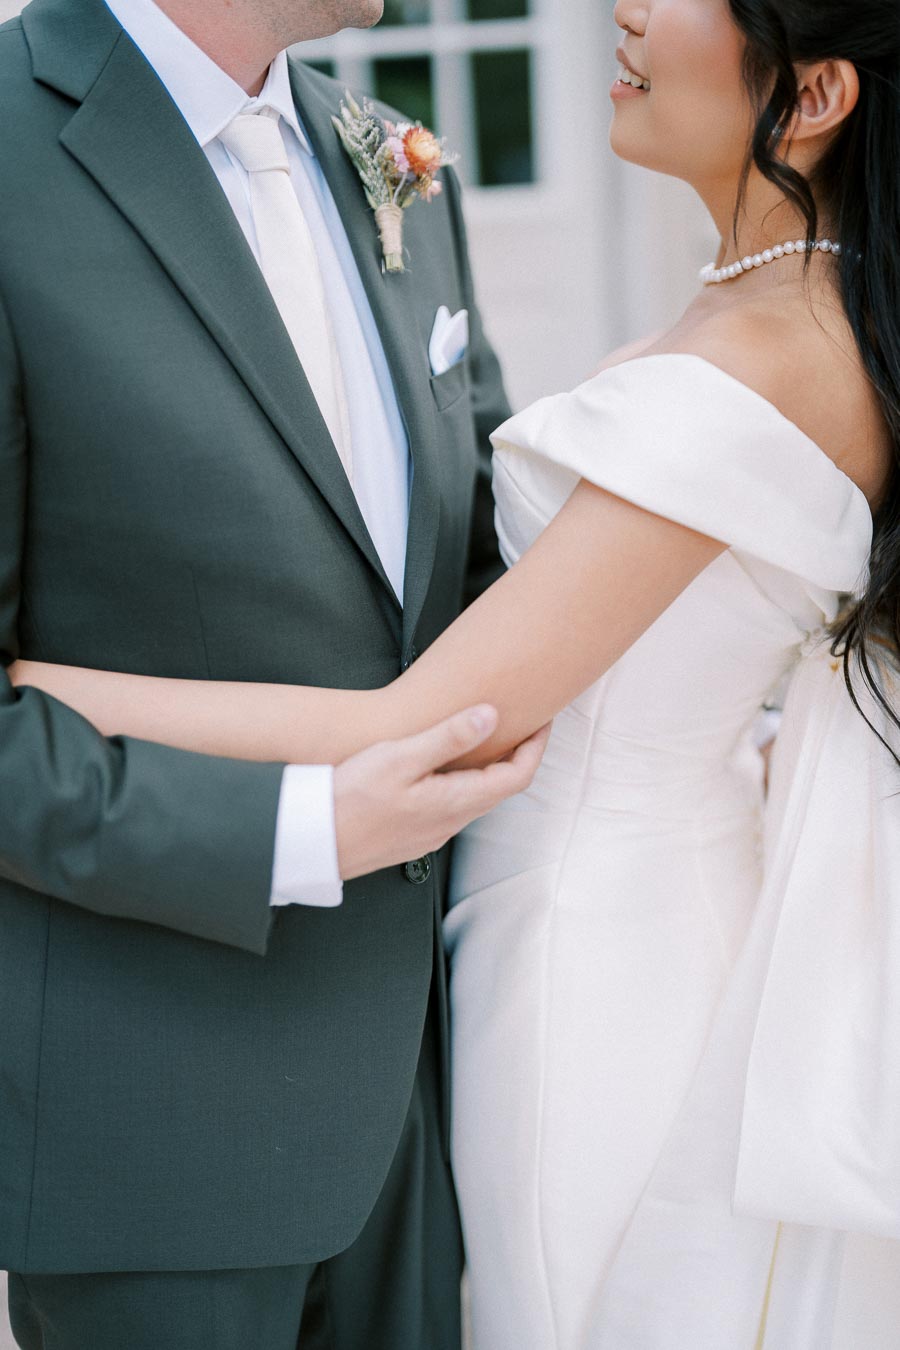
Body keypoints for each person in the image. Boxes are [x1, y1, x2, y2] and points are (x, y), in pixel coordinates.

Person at [8, 0, 900, 1344]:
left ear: (816, 95)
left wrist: (67, 689)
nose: (628, 8)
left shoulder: (412, 172)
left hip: (566, 976)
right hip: (191, 1106)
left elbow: (425, 696)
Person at [0, 0, 549, 1346]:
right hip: (155, 1151)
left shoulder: (384, 152)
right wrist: (306, 827)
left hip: (420, 1129)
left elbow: (479, 557)